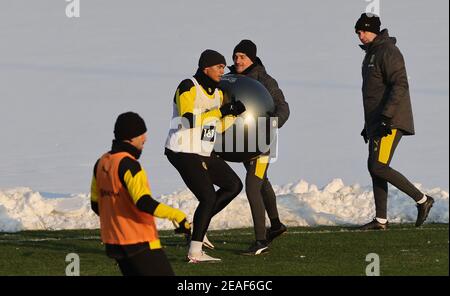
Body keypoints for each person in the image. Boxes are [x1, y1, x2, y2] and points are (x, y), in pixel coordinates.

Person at [355, 13, 434, 230]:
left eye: (363, 31)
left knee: (378, 165)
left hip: (390, 120)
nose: (360, 35)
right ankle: (381, 220)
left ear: (374, 30)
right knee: (375, 166)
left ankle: (423, 200)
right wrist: (368, 125)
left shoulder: (388, 51)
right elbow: (374, 93)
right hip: (377, 121)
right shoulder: (371, 54)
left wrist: (385, 118)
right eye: (358, 32)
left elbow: (399, 85)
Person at [165, 49, 245, 262]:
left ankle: (198, 228)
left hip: (202, 150)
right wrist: (220, 111)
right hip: (181, 149)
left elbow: (216, 128)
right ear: (205, 68)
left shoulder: (218, 93)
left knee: (234, 185)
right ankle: (195, 252)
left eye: (223, 68)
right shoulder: (188, 86)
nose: (222, 71)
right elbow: (188, 120)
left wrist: (232, 115)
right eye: (219, 67)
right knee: (208, 196)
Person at [90, 111, 191, 276]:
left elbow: (96, 204)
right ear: (130, 138)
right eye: (141, 134)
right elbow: (143, 202)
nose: (145, 138)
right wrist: (176, 215)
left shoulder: (101, 163)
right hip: (140, 242)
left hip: (115, 243)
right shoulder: (130, 165)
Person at [228, 40, 290, 255]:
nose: (237, 61)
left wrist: (271, 124)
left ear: (252, 58)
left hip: (261, 142)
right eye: (235, 56)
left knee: (253, 186)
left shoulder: (264, 79)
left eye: (242, 57)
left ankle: (261, 241)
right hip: (241, 141)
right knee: (262, 182)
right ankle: (276, 226)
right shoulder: (231, 79)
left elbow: (284, 108)